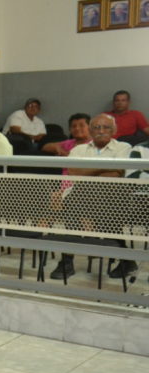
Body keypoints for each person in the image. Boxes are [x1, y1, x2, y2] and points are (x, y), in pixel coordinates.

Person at [49, 114, 134, 280]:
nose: (101, 131)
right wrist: (103, 168)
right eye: (96, 127)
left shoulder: (123, 147)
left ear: (114, 130)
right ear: (90, 130)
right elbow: (73, 172)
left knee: (107, 211)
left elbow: (115, 175)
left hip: (112, 198)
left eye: (106, 127)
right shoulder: (78, 150)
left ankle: (126, 259)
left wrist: (87, 170)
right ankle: (67, 262)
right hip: (80, 196)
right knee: (71, 203)